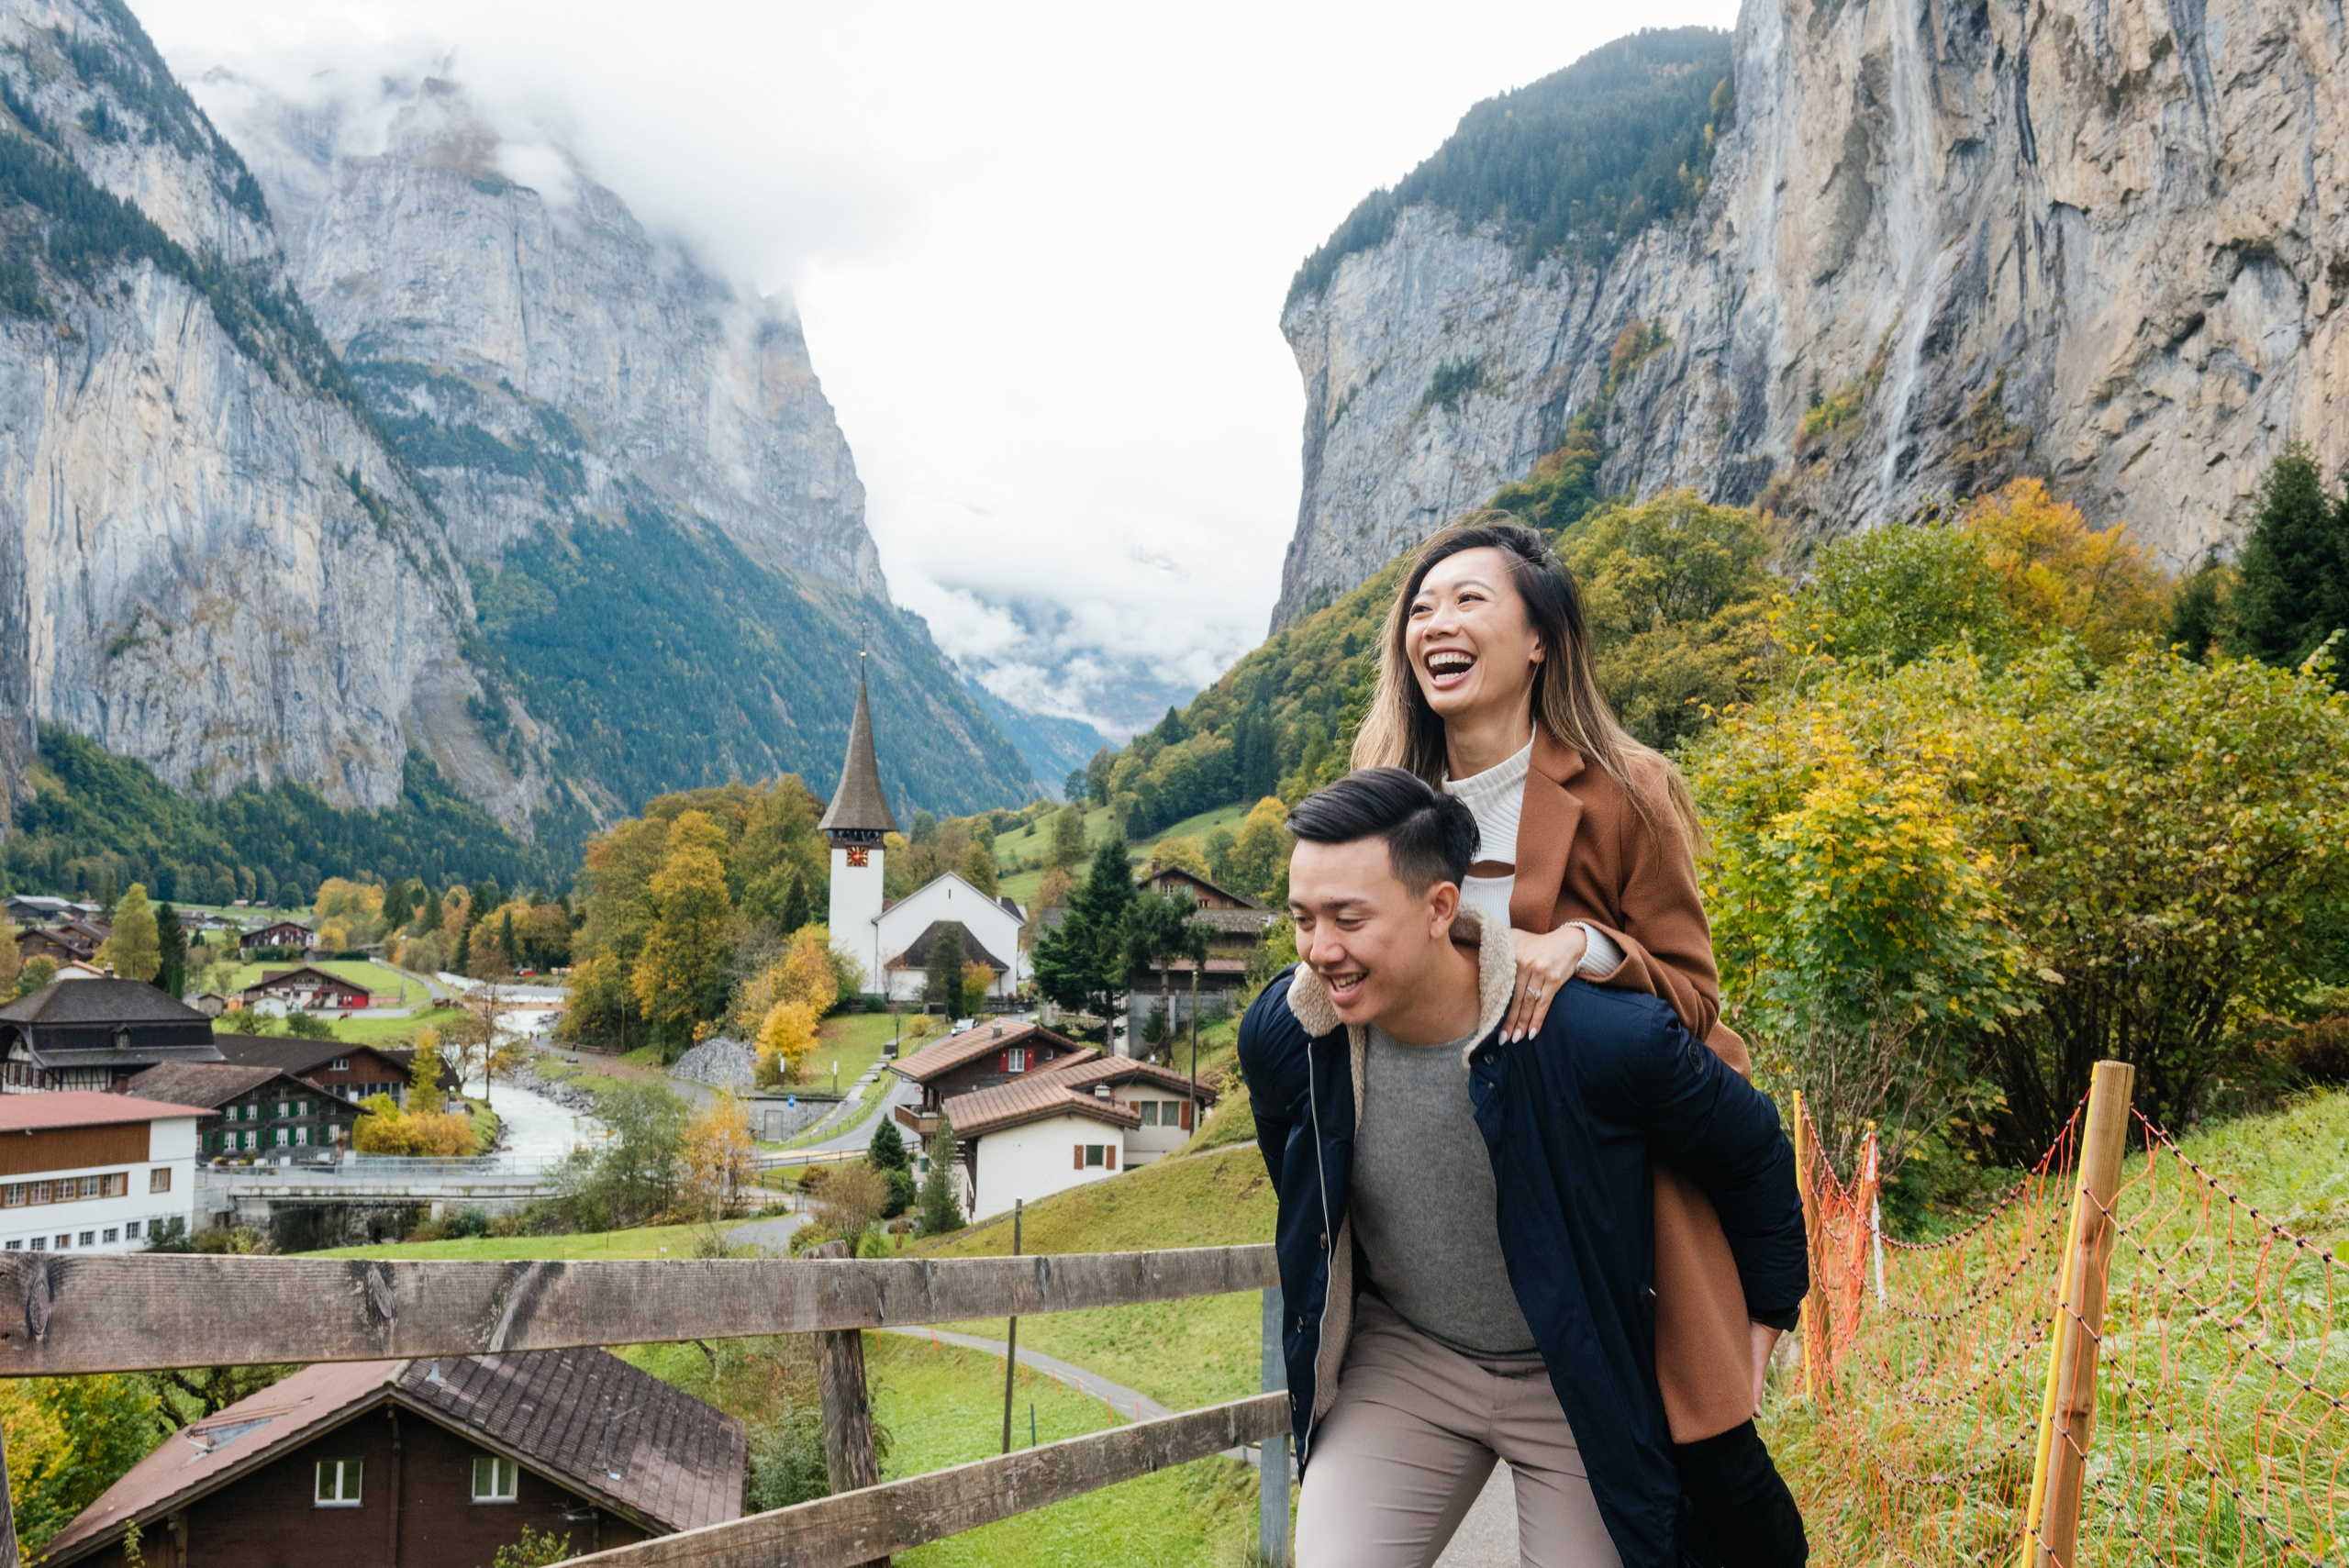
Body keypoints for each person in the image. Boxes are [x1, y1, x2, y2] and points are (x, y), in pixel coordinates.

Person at [1352, 516, 1798, 1542]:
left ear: (1541, 636)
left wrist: (1587, 947)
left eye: (1468, 600)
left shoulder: (1623, 788)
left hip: (1600, 1234)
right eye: (1420, 608)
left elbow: (1692, 994)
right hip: (1430, 1253)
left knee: (1703, 1517)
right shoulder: (1383, 807)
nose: (1437, 624)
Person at [1240, 768, 1807, 1568]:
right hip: (1409, 1357)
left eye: (1348, 918)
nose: (1320, 950)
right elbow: (1297, 1162)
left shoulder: (1597, 1039)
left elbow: (1750, 1147)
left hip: (1571, 1375)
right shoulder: (1289, 1035)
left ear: (1441, 907)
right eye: (1303, 919)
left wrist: (1770, 1309)